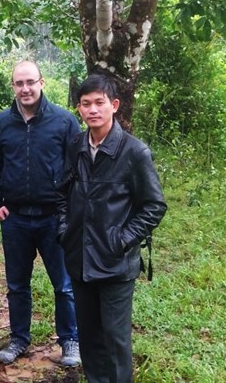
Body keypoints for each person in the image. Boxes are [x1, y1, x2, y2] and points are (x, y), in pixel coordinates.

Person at [56, 73, 167, 383]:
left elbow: (154, 205)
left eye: (99, 103)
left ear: (114, 106)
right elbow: (62, 194)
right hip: (79, 258)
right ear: (78, 108)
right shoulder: (76, 146)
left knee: (115, 338)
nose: (93, 110)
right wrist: (65, 231)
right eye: (86, 104)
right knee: (89, 335)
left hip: (115, 264)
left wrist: (122, 240)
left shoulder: (134, 153)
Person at [0, 61, 82, 366]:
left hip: (53, 217)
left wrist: (68, 210)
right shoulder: (2, 123)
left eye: (30, 82)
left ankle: (70, 341)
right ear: (12, 86)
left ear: (42, 83)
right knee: (17, 284)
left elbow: (77, 169)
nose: (25, 89)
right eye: (19, 83)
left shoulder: (64, 122)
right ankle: (19, 339)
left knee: (64, 284)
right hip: (14, 219)